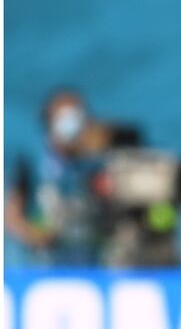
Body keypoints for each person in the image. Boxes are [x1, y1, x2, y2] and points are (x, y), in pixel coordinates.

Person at [5, 88, 111, 266]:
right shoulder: (33, 160)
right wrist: (35, 234)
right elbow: (12, 214)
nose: (72, 126)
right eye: (64, 118)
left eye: (77, 118)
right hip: (44, 263)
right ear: (49, 121)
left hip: (89, 261)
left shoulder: (95, 163)